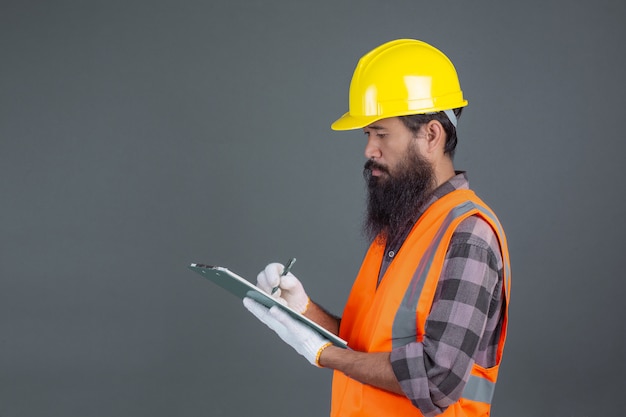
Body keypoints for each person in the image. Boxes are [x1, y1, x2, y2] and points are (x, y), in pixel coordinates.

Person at [242, 39, 511, 417]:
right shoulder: (399, 227)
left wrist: (325, 355)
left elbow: (436, 378)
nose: (369, 150)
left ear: (431, 135)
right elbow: (372, 347)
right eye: (367, 135)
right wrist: (304, 311)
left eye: (381, 134)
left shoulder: (468, 234)